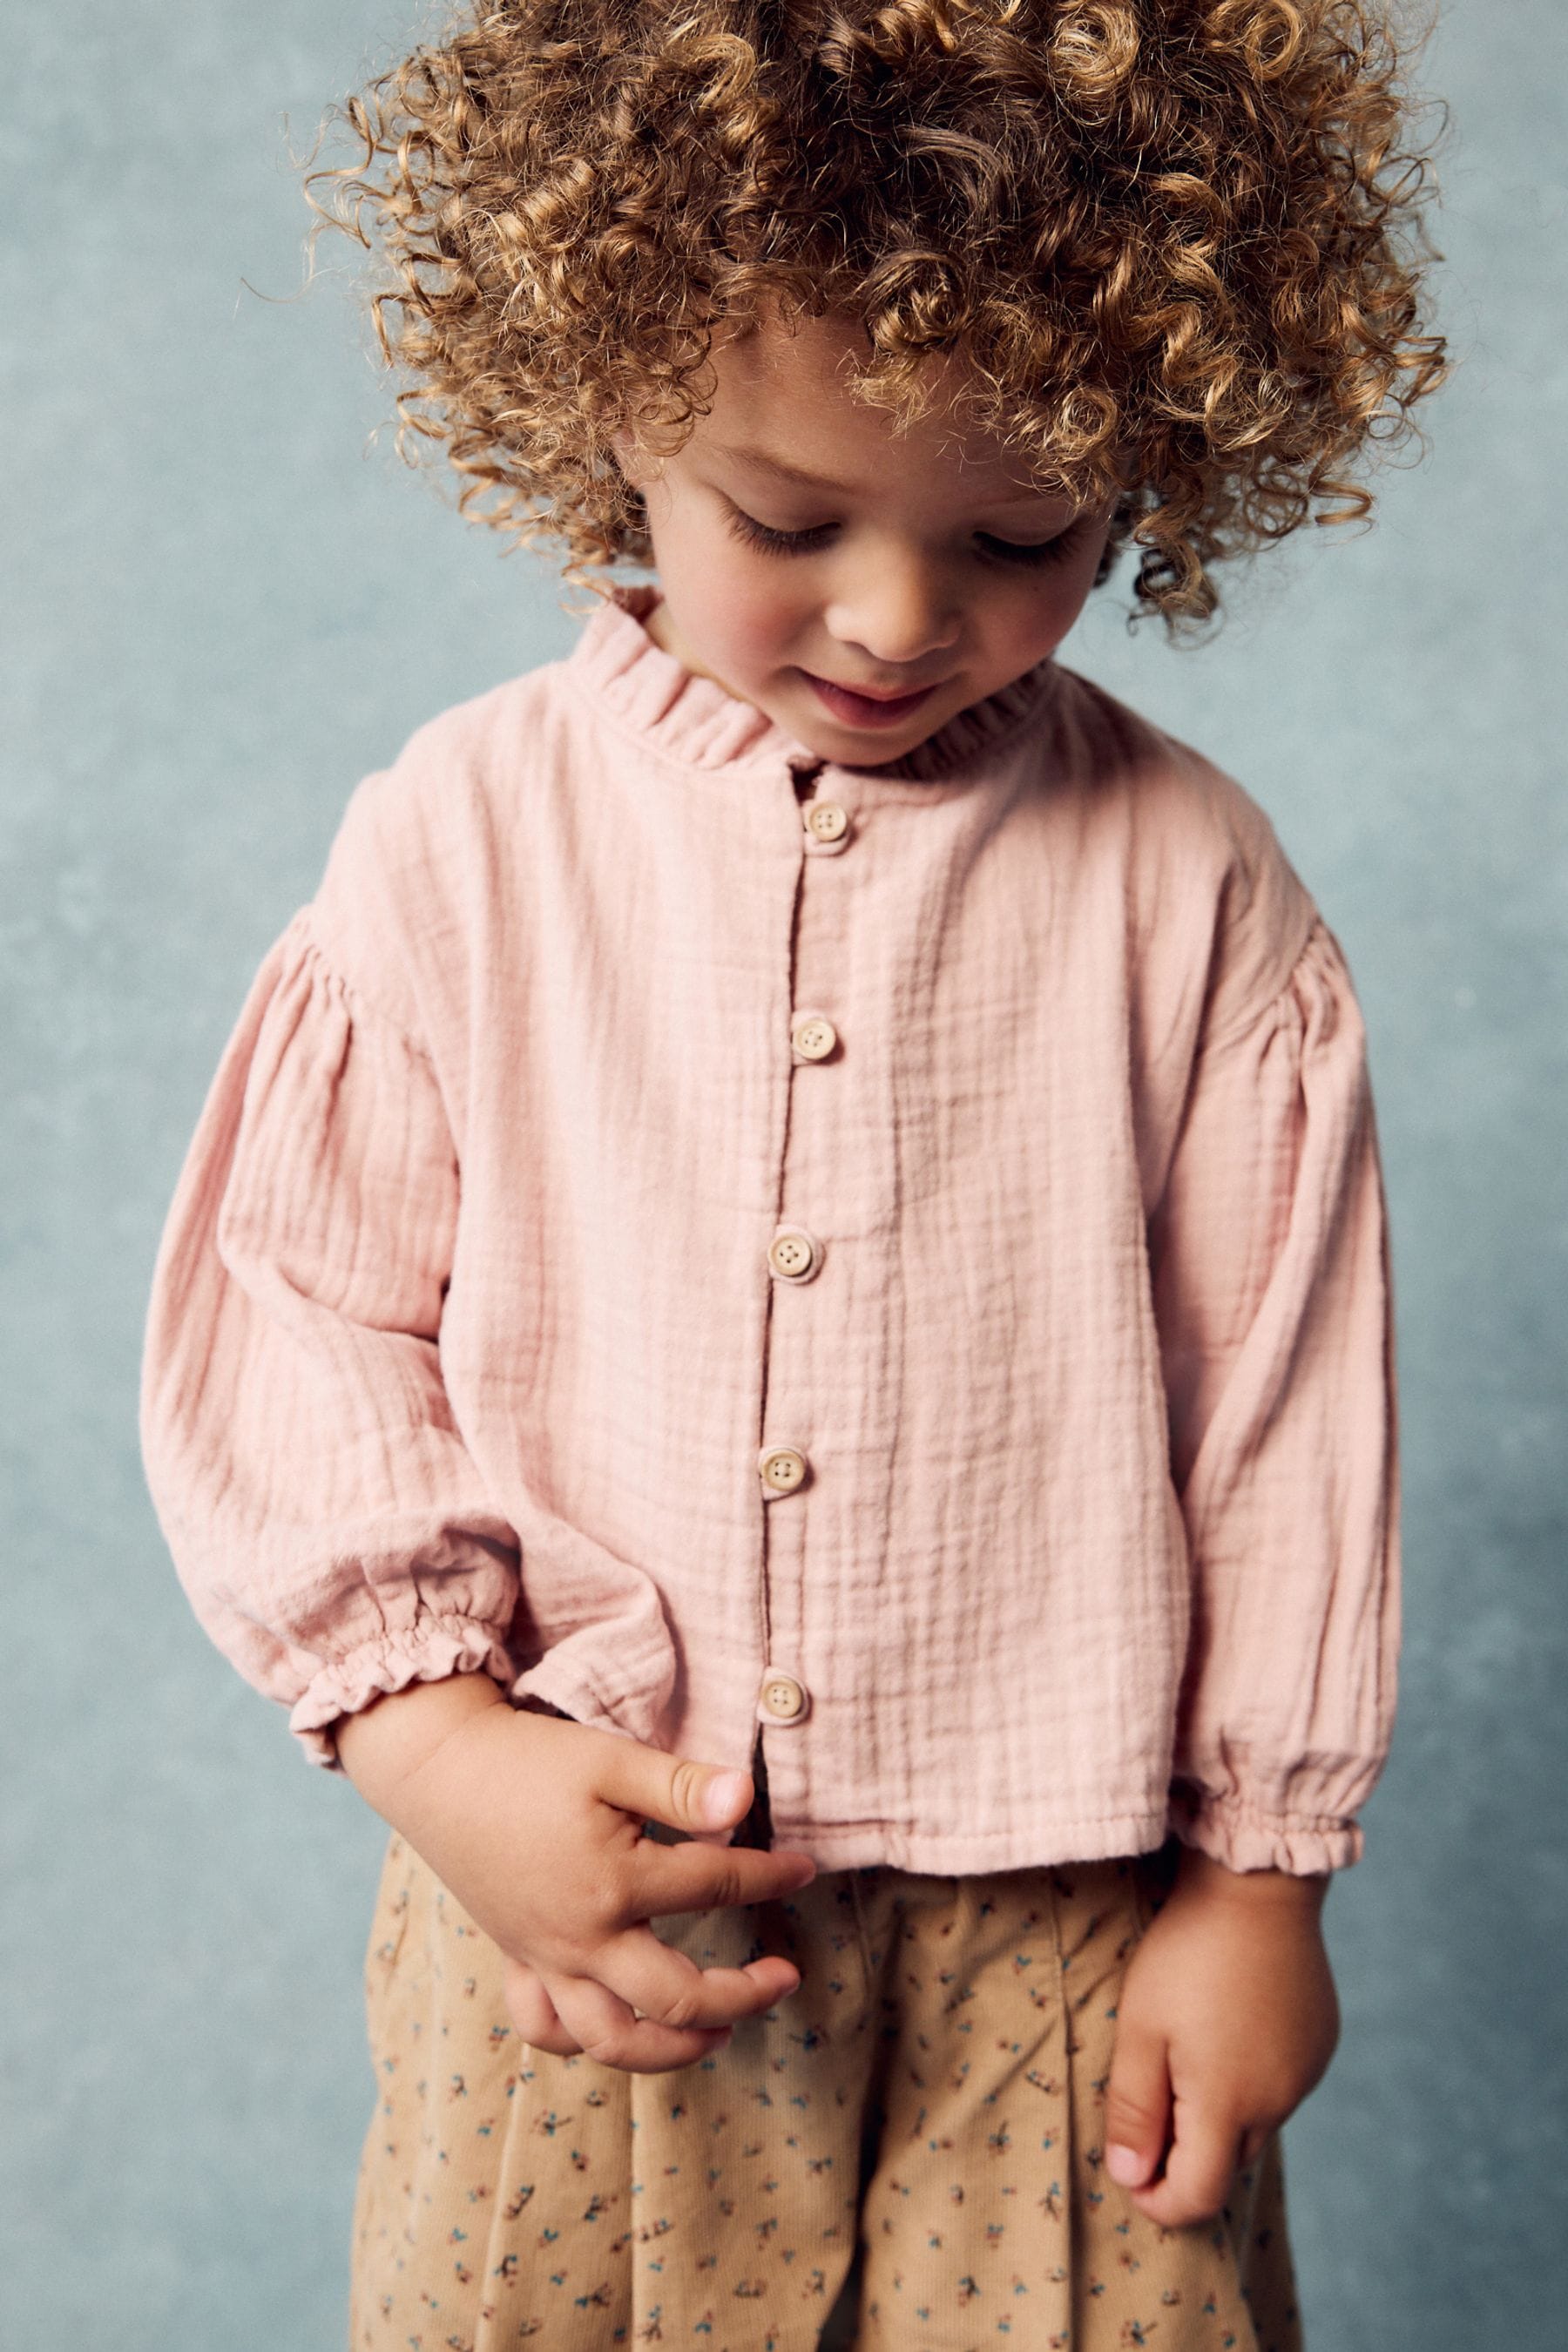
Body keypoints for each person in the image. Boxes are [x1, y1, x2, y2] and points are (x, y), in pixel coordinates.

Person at [139, 2, 1446, 2344]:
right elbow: (301, 1317)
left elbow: (1283, 1414)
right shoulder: (458, 841)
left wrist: (1263, 1884)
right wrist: (440, 1746)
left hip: (1072, 1927)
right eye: (784, 514)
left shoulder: (1194, 887)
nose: (893, 616)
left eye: (1020, 534)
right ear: (602, 393)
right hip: (599, 1893)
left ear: (1154, 466)